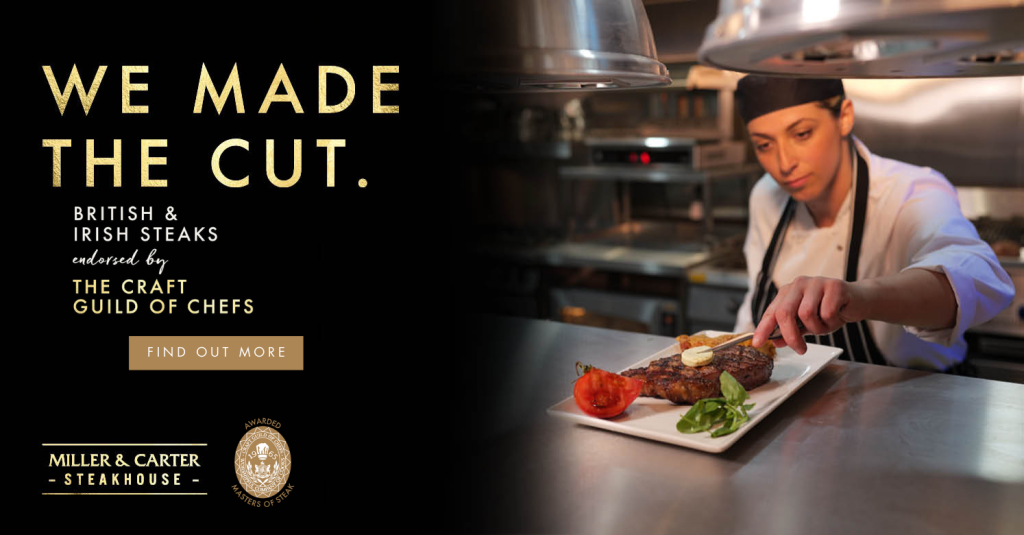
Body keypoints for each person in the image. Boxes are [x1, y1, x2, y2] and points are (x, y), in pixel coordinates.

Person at [732, 76, 1014, 371]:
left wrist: (858, 297)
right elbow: (756, 312)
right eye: (764, 145)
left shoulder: (911, 190)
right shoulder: (766, 196)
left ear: (844, 117)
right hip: (805, 398)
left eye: (802, 134)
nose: (784, 163)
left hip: (916, 397)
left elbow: (977, 276)